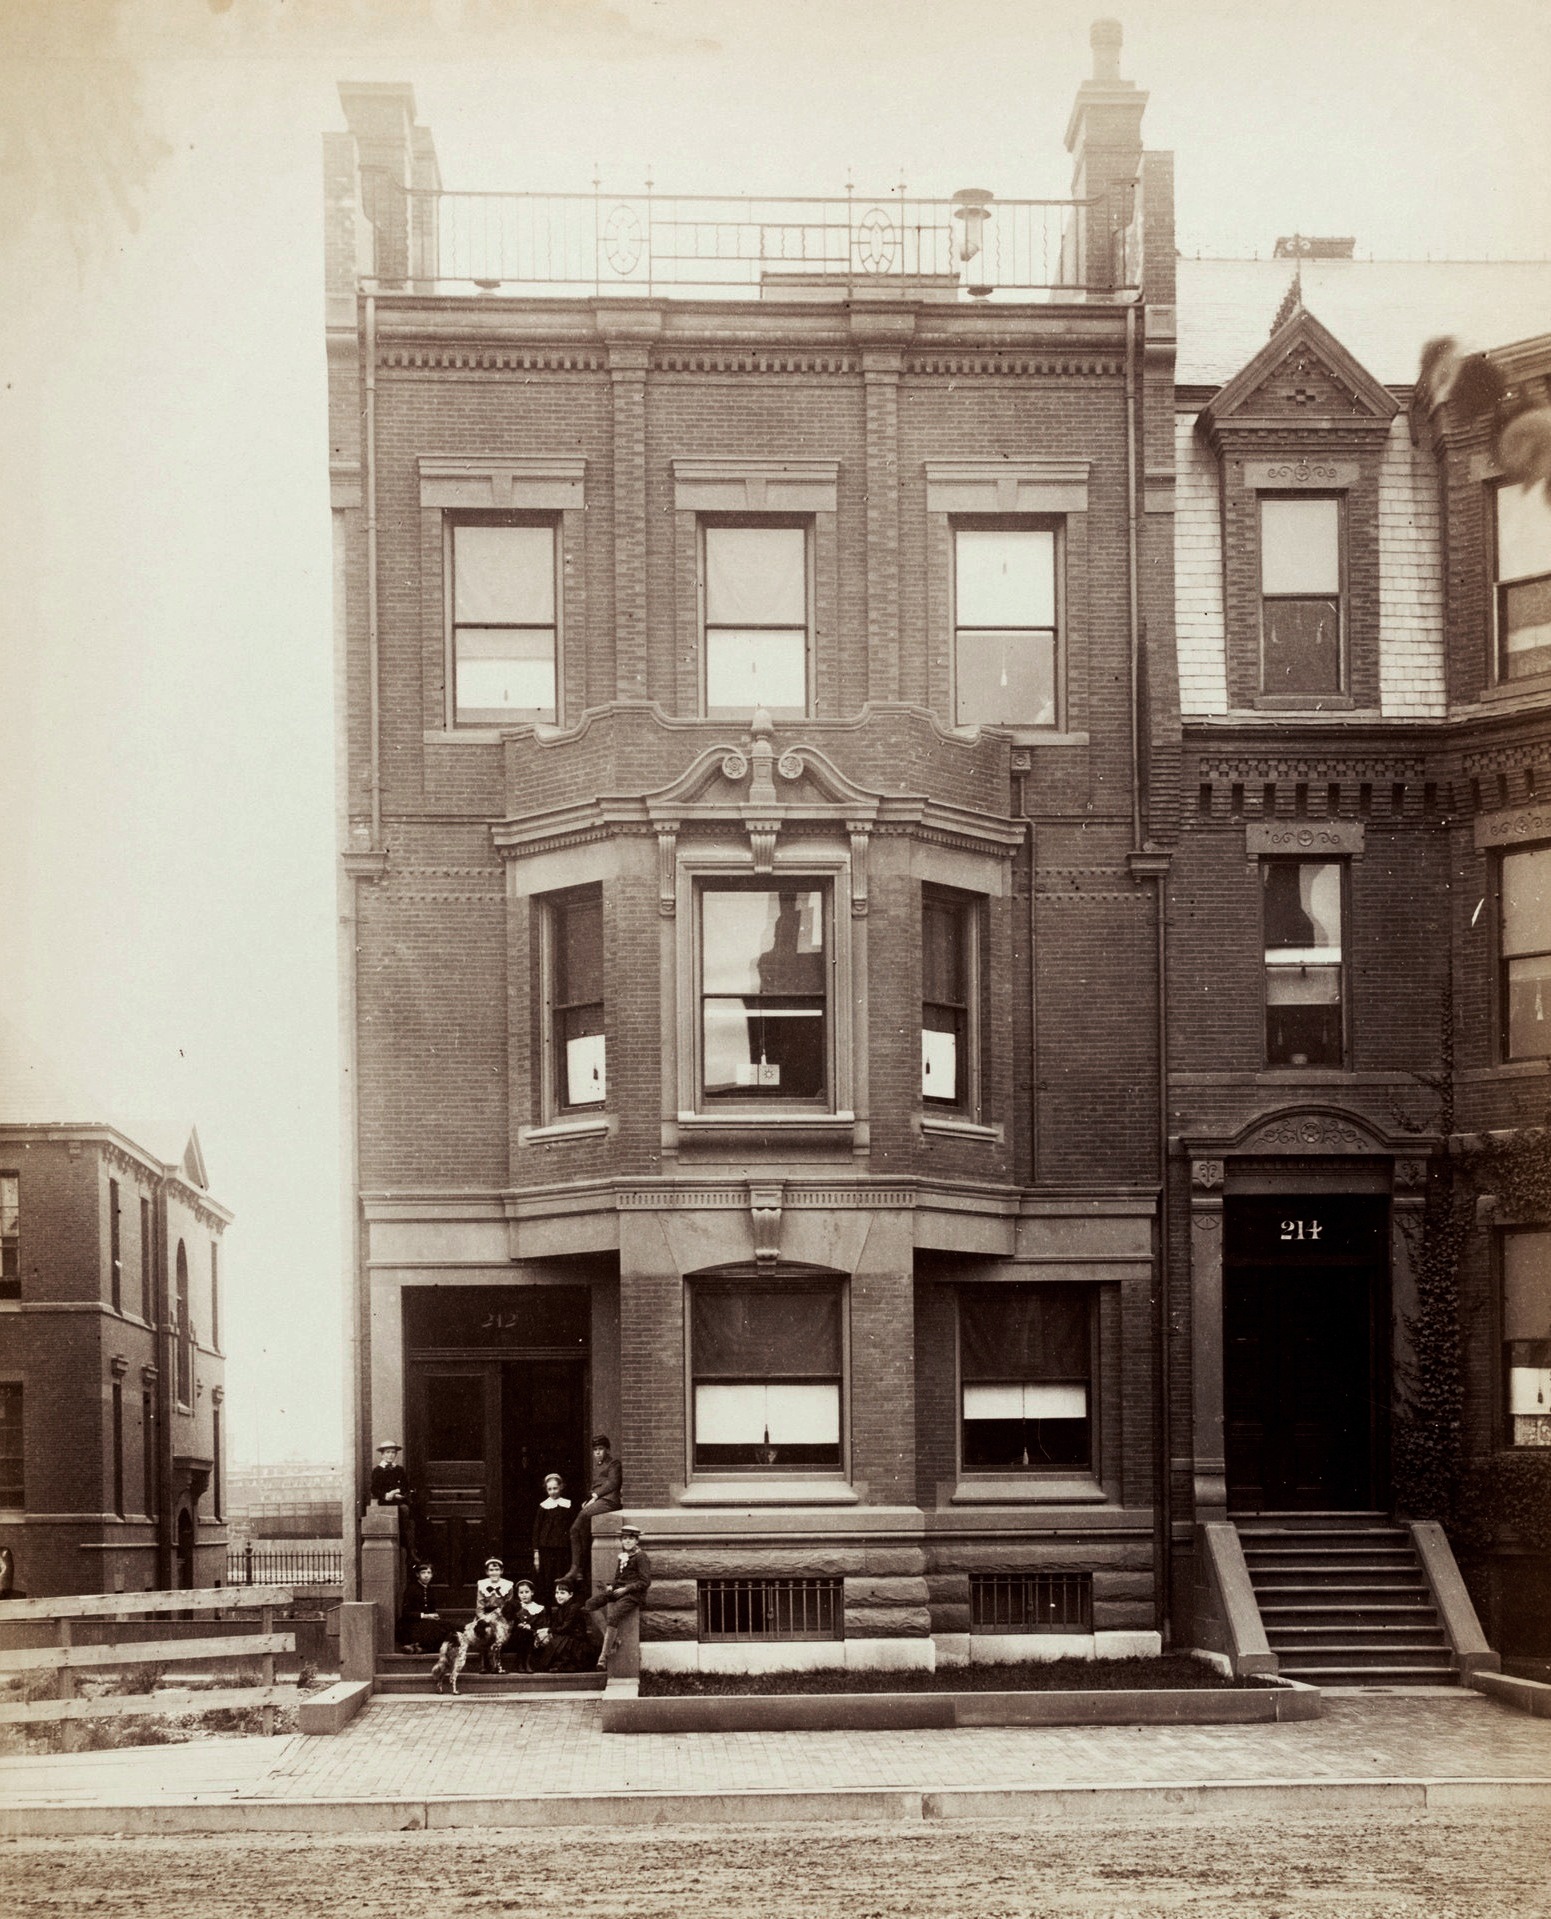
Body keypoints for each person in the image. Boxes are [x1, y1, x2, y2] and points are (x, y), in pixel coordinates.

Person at [583, 1520, 651, 1671]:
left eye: (631, 1538)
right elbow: (617, 1577)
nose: (627, 1541)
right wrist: (611, 1586)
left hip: (633, 1595)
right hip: (618, 1591)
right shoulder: (623, 1556)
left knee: (613, 1616)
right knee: (590, 1604)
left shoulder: (641, 1557)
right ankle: (613, 1640)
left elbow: (645, 1582)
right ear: (621, 1540)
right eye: (625, 1538)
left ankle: (603, 1657)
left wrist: (626, 1589)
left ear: (637, 1541)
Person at [563, 1435, 622, 1585]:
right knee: (582, 1531)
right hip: (600, 1500)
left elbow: (613, 1483)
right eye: (595, 1450)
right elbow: (596, 1486)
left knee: (576, 1527)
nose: (597, 1452)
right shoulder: (597, 1466)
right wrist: (589, 1498)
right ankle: (579, 1569)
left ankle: (575, 1569)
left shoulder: (614, 1464)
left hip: (609, 1501)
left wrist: (595, 1496)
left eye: (601, 1449)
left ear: (607, 1450)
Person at [531, 1575, 595, 1673]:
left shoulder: (573, 1608)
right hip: (566, 1636)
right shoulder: (561, 1608)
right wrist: (545, 1632)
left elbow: (566, 1628)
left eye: (562, 1593)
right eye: (557, 1593)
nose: (558, 1596)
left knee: (555, 1641)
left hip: (576, 1641)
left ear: (570, 1594)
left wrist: (548, 1631)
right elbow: (556, 1626)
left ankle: (563, 1665)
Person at [531, 1472, 573, 1600]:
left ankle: (562, 1604)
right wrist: (536, 1551)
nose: (553, 1491)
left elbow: (572, 1526)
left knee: (562, 1575)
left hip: (563, 1547)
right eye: (549, 1489)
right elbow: (537, 1530)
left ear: (561, 1487)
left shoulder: (567, 1504)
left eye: (555, 1488)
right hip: (547, 1548)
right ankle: (548, 1607)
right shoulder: (543, 1506)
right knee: (548, 1577)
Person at [503, 1576, 549, 1673]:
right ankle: (520, 1663)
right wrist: (518, 1625)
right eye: (521, 1592)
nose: (524, 1595)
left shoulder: (539, 1608)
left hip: (532, 1637)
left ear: (532, 1592)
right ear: (518, 1594)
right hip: (516, 1638)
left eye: (527, 1592)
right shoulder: (515, 1607)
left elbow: (542, 1625)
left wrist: (531, 1627)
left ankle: (527, 1663)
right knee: (522, 1633)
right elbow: (509, 1622)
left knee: (527, 1634)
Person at [396, 1559, 442, 1654]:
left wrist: (434, 1616)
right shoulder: (412, 1589)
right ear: (418, 1575)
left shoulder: (430, 1590)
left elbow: (431, 1609)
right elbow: (406, 1613)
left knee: (443, 1628)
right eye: (423, 1573)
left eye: (429, 1573)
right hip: (411, 1624)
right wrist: (426, 1616)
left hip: (426, 1623)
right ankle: (415, 1646)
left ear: (432, 1575)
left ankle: (418, 1649)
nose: (426, 1575)